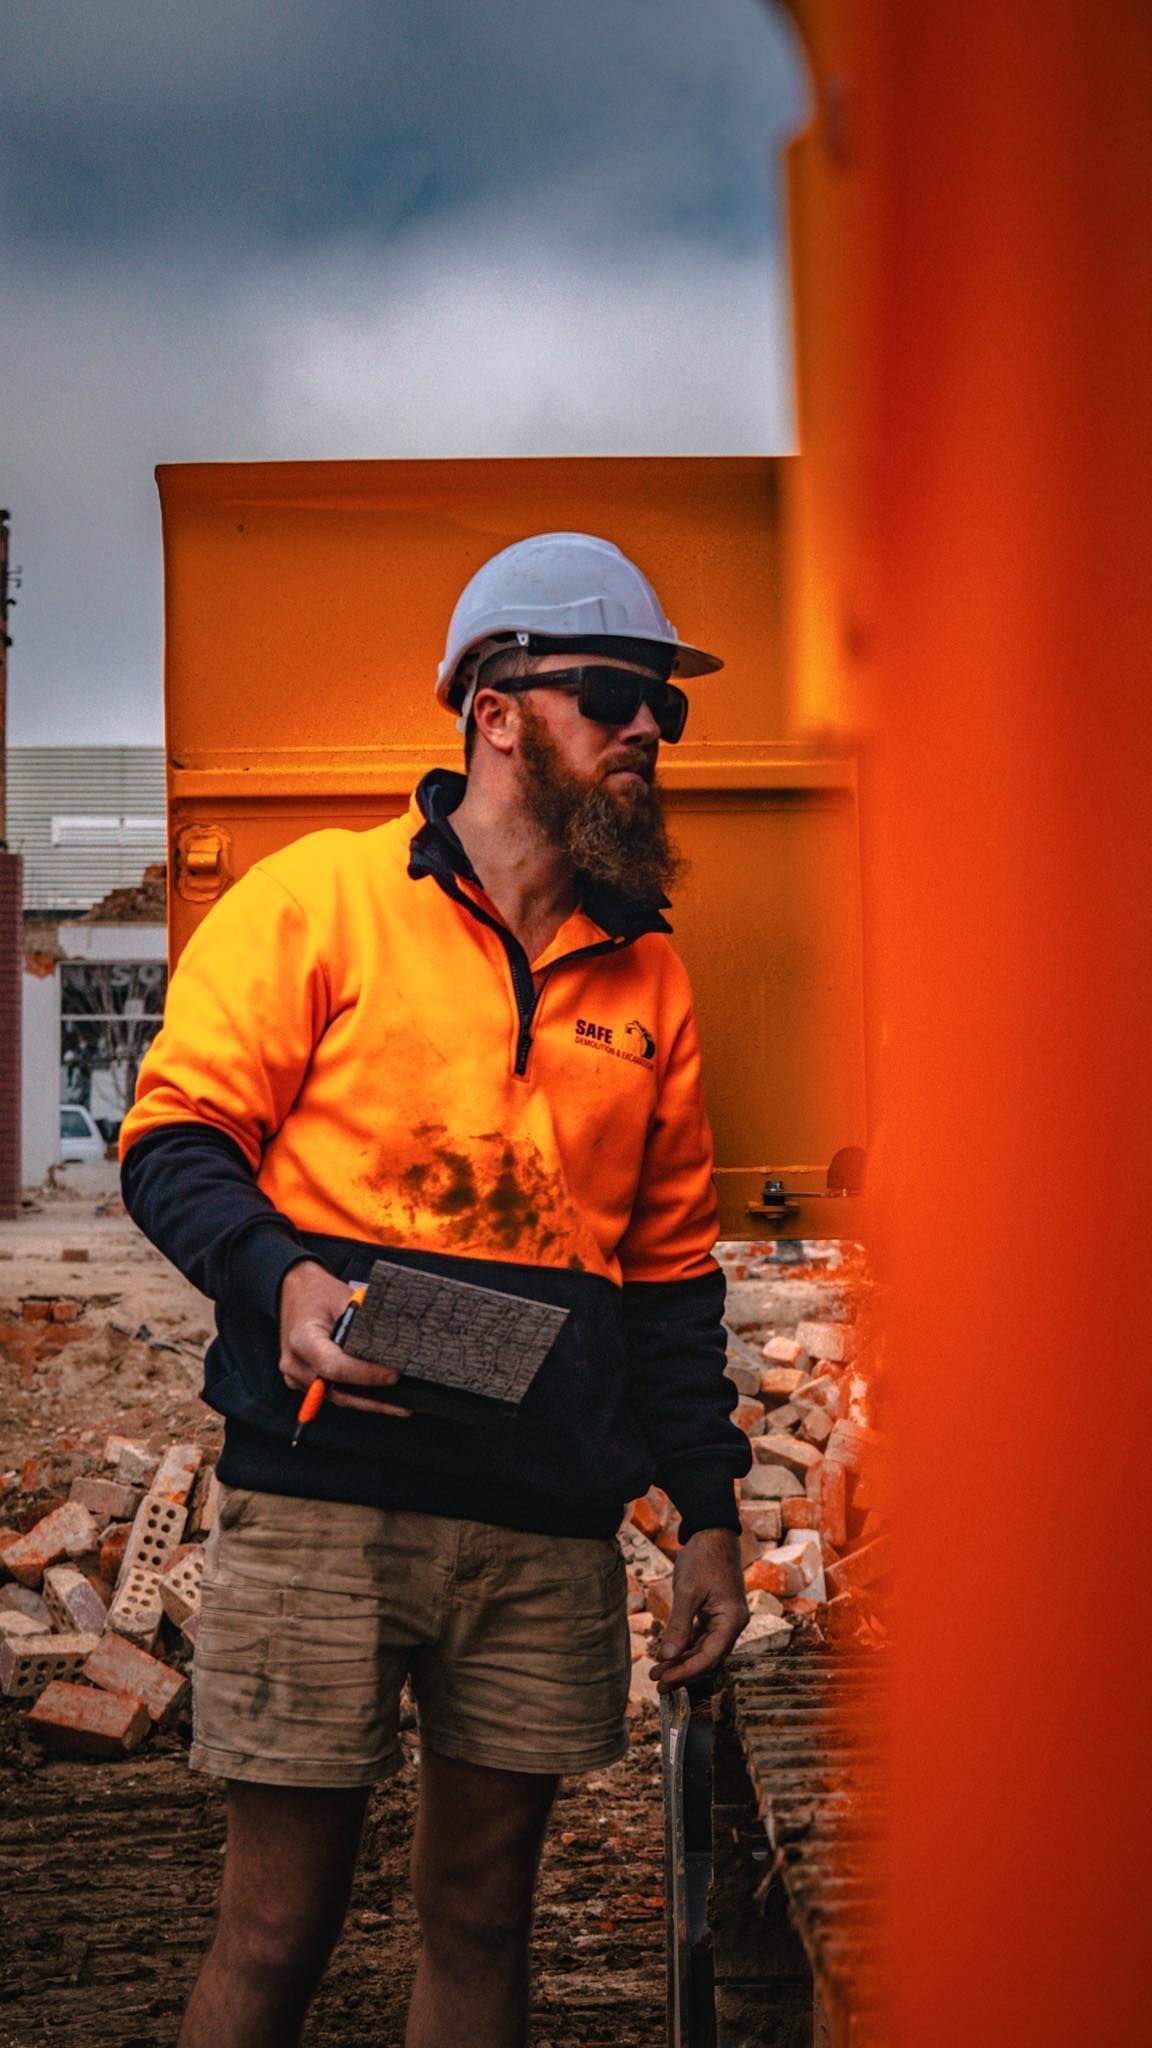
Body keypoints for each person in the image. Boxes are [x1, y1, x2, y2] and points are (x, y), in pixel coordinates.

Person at [119, 529, 751, 2048]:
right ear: (496, 707)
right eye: (613, 693)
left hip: (540, 1526)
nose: (648, 731)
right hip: (326, 1498)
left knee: (482, 1918)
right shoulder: (314, 903)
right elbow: (176, 1138)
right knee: (277, 1927)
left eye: (666, 704)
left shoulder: (646, 977)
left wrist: (712, 1519)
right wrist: (275, 1280)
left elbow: (665, 1283)